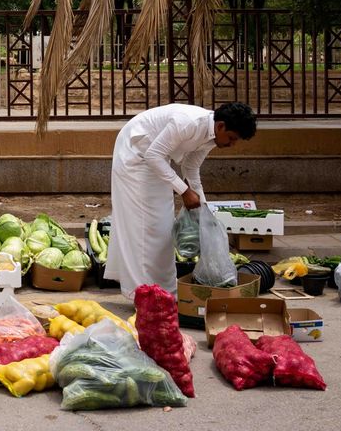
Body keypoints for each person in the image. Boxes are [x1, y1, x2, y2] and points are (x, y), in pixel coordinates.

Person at [104, 101, 257, 299]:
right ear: (220, 126)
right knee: (145, 227)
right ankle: (141, 295)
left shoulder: (212, 137)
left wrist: (202, 205)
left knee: (163, 226)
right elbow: (153, 156)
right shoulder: (188, 123)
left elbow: (191, 168)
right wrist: (184, 191)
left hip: (156, 160)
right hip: (135, 155)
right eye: (231, 138)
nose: (231, 144)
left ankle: (165, 293)